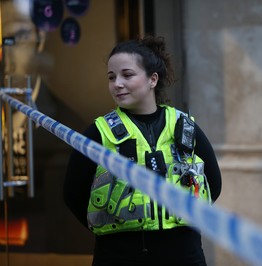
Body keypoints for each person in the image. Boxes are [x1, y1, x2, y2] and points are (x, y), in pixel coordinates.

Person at [63, 35, 222, 266]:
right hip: (119, 254)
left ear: (152, 79)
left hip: (183, 253)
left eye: (127, 75)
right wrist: (114, 229)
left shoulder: (184, 126)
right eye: (111, 77)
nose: (117, 83)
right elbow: (72, 193)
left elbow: (213, 184)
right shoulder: (98, 132)